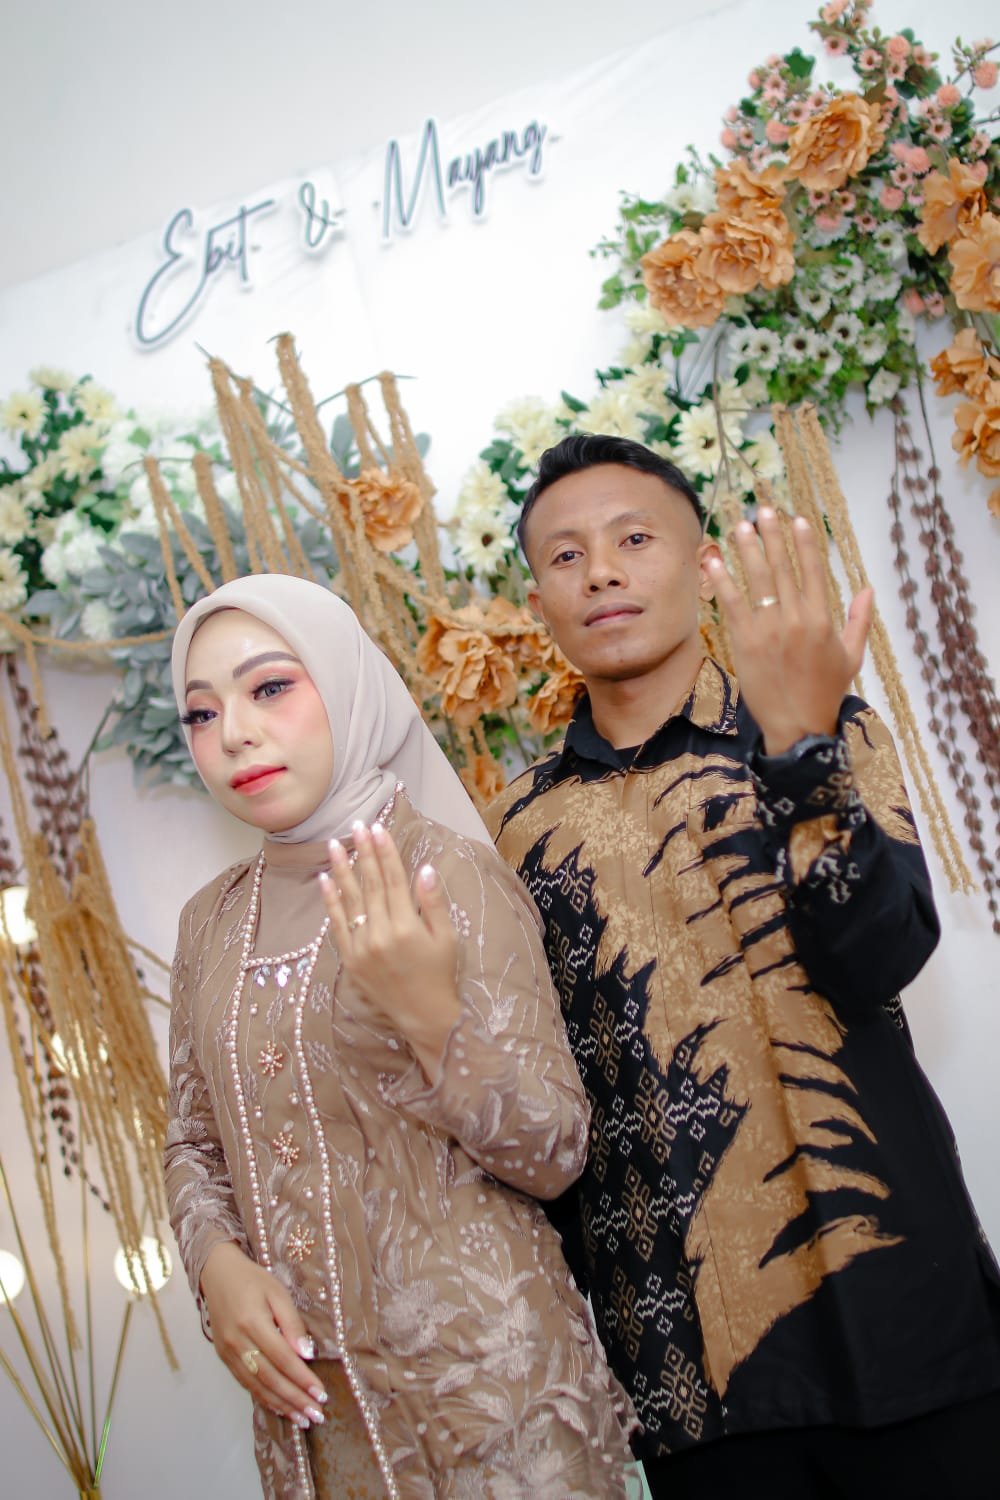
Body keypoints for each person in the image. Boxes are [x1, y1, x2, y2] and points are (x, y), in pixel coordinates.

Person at [487, 433, 1000, 1499]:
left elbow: (880, 955)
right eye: (567, 556)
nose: (602, 572)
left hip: (904, 1311)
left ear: (703, 560)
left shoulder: (819, 723)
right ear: (538, 603)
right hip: (687, 1371)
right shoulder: (512, 827)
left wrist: (801, 750)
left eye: (634, 539)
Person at [163, 573, 635, 1500]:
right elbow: (191, 1138)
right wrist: (214, 1267)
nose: (235, 733)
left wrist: (431, 1021)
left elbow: (554, 1151)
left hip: (490, 1404)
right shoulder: (209, 923)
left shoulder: (445, 873)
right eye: (202, 713)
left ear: (347, 684)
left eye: (269, 687)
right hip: (318, 1417)